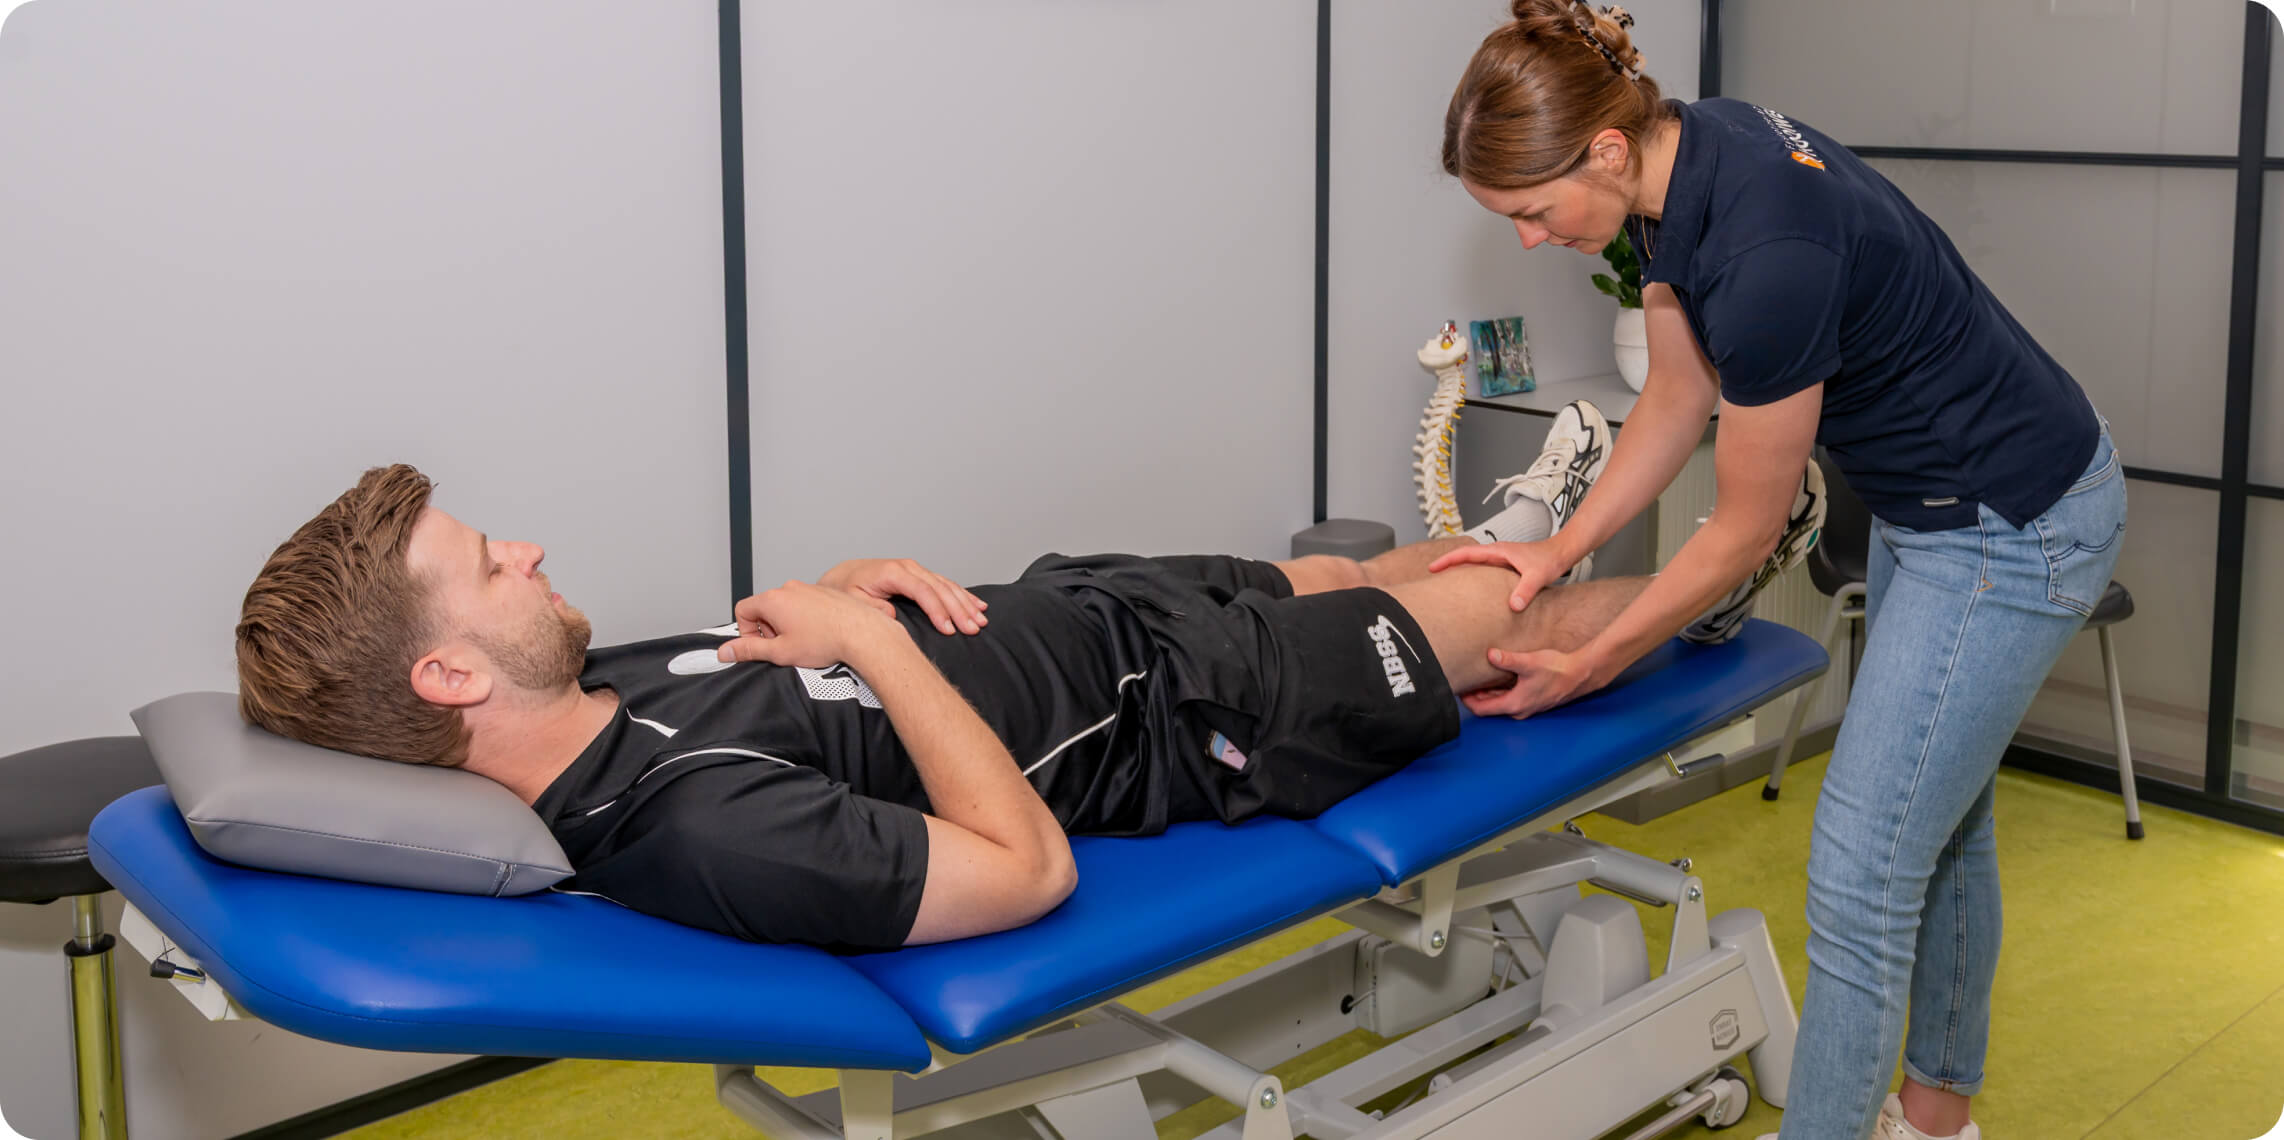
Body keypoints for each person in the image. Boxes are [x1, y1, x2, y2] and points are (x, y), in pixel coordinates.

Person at [231, 405, 1812, 952]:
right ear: (446, 674)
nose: (531, 554)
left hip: (1091, 614)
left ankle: (1536, 519)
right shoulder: (680, 826)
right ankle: (1732, 562)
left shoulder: (601, 687)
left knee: (1343, 570)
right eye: (495, 562)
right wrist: (873, 648)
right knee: (1505, 621)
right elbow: (1020, 869)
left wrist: (856, 594)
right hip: (1207, 719)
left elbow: (815, 690)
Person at [1433, 5, 2129, 1140]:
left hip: (2014, 520)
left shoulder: (1766, 249)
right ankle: (1939, 1117)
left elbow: (1742, 532)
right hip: (1935, 502)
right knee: (1940, 825)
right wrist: (1554, 546)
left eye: (1529, 210)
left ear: (1603, 150)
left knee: (1860, 872)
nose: (1526, 236)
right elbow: (1672, 396)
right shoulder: (1683, 167)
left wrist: (1594, 658)